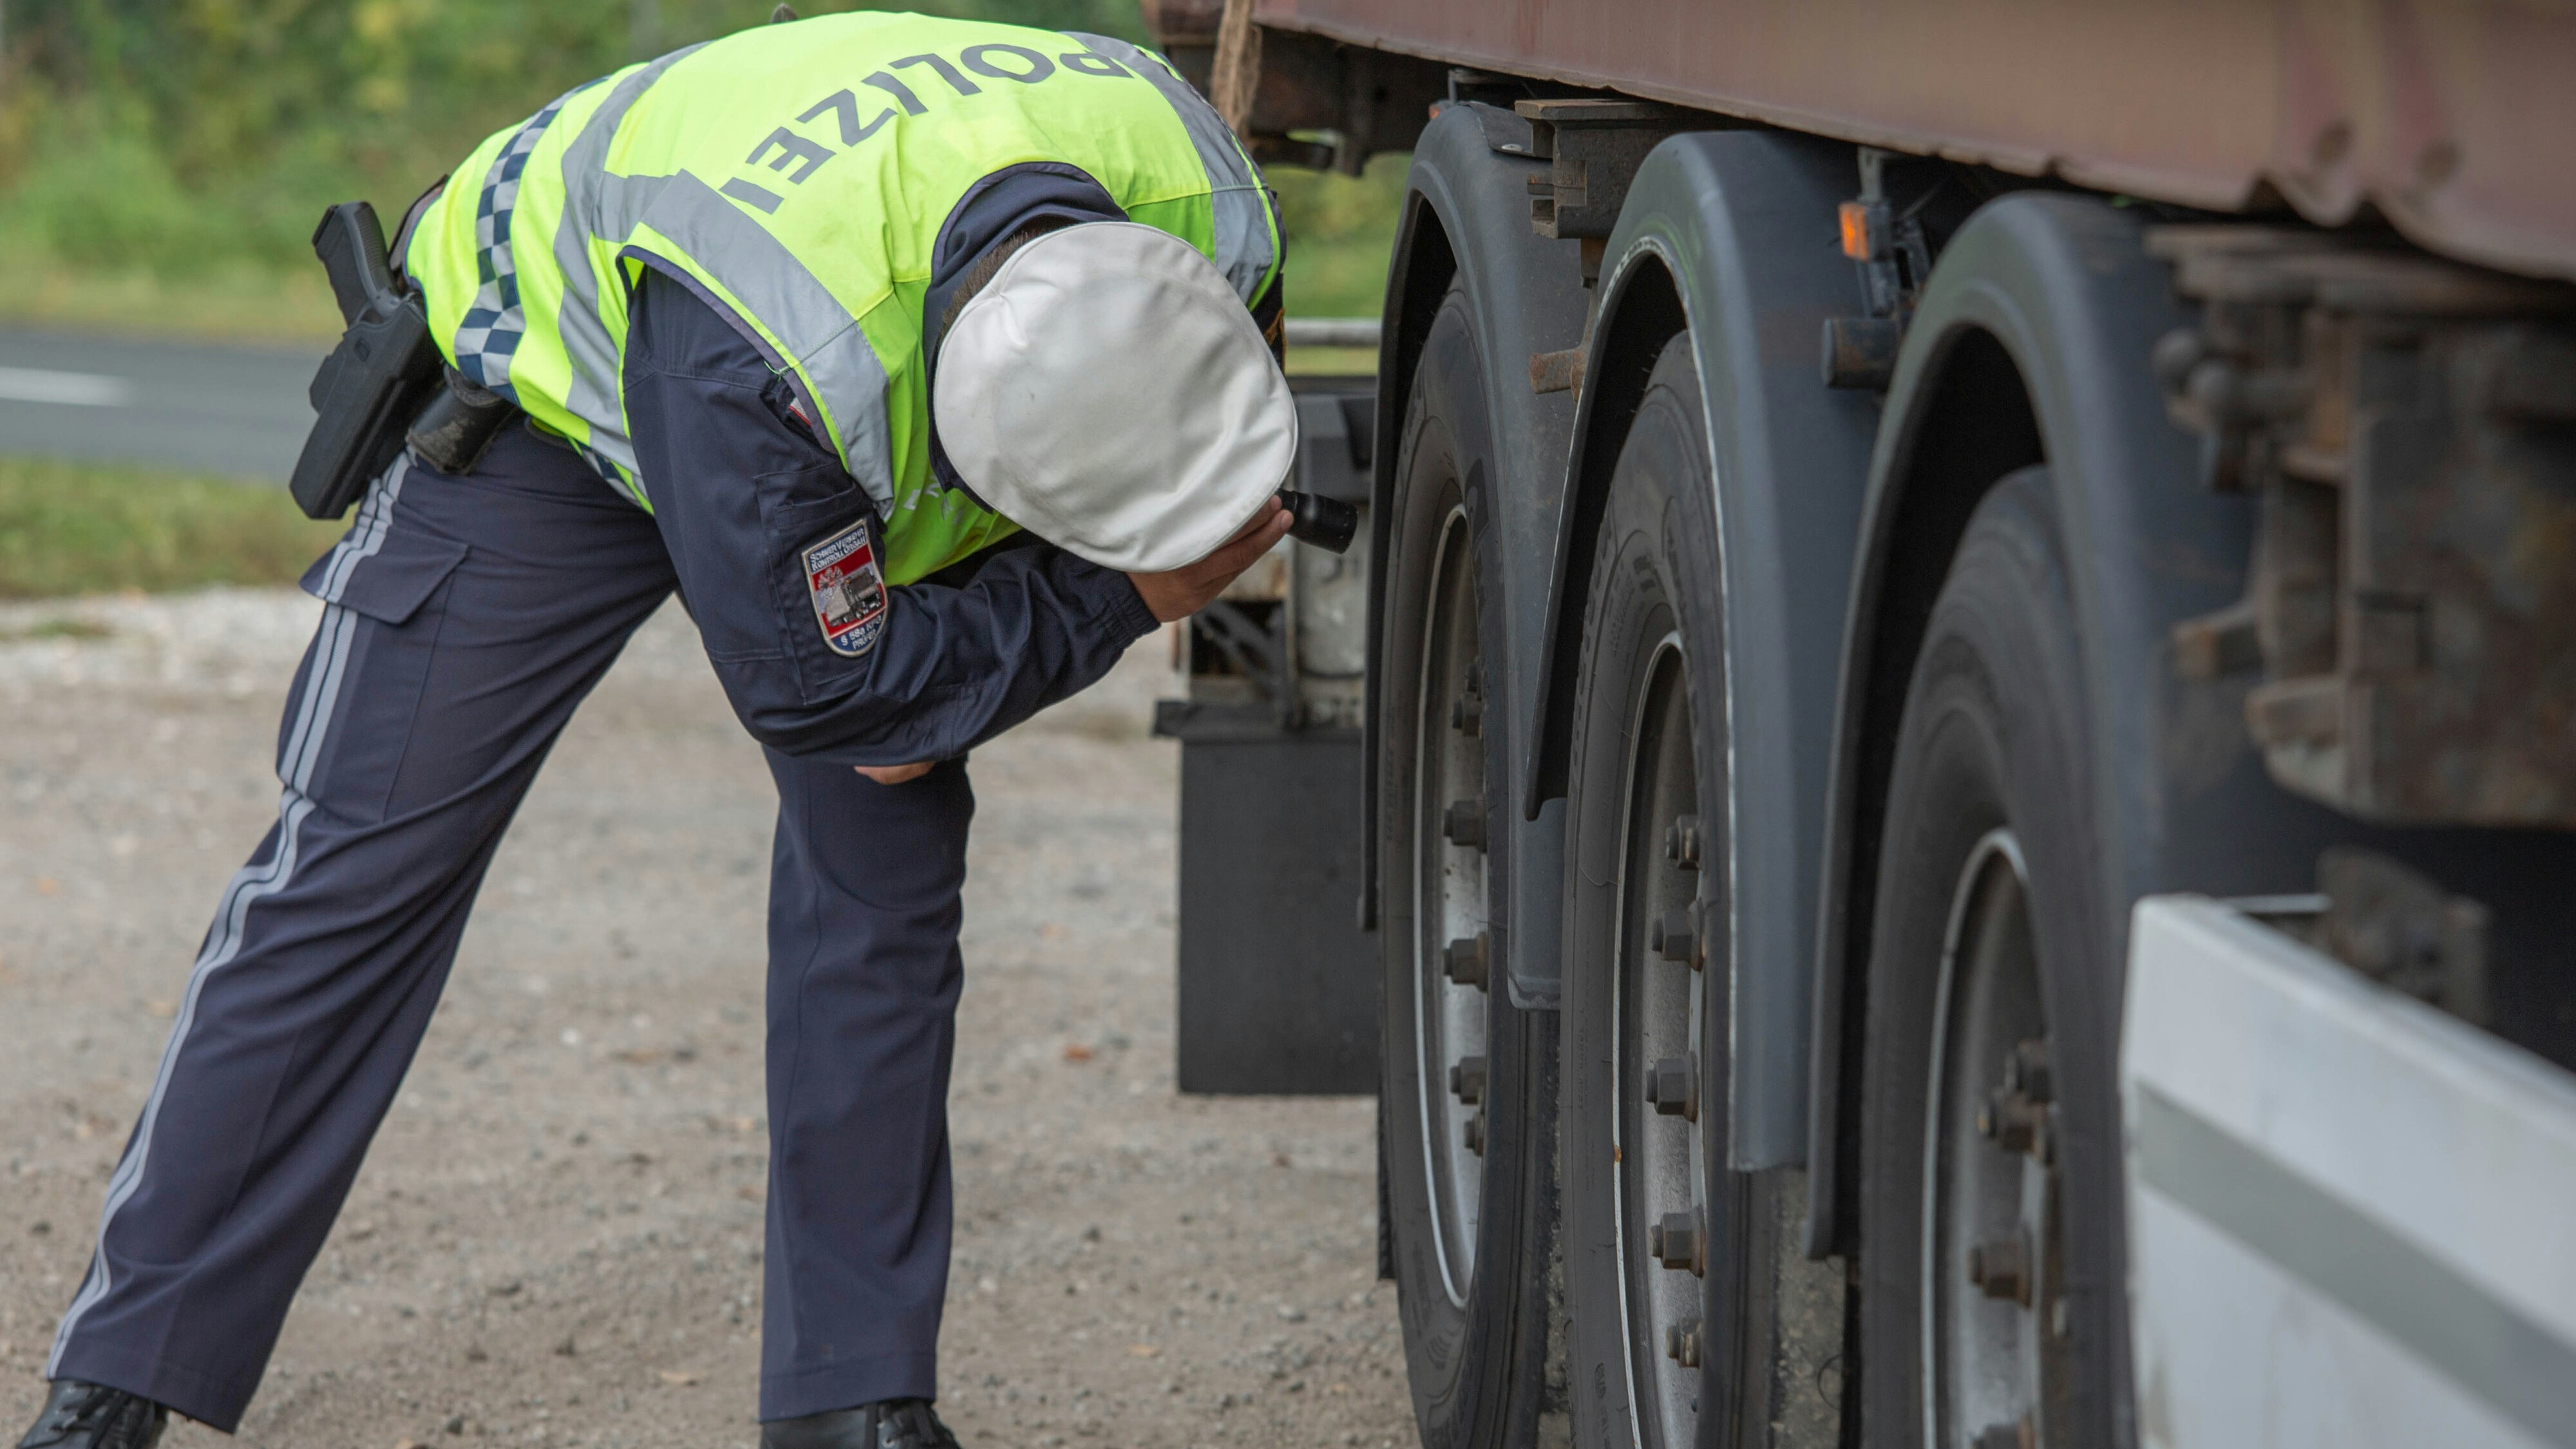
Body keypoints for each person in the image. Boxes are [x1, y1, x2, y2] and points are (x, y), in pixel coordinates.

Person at [17, 12, 1298, 1449]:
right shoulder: (761, 352)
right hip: (549, 410)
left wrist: (1044, 604)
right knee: (360, 866)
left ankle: (852, 1403)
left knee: (884, 865)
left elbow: (1201, 429)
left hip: (842, 366)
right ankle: (118, 1375)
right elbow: (834, 698)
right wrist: (1114, 600)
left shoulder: (1206, 202)